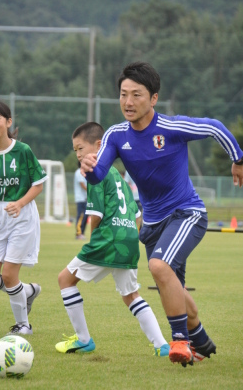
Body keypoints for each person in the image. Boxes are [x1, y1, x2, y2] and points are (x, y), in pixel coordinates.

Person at [80, 62, 243, 367]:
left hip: (186, 213)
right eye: (123, 94)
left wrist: (238, 159)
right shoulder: (116, 135)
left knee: (158, 265)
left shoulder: (171, 128)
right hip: (152, 225)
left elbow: (214, 127)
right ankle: (201, 340)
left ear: (153, 98)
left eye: (136, 95)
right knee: (174, 287)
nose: (128, 102)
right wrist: (88, 168)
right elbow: (98, 173)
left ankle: (179, 340)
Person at [55, 121, 169, 356]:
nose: (78, 155)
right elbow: (137, 214)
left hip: (108, 238)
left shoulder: (95, 169)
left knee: (65, 280)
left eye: (80, 148)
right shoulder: (118, 173)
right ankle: (162, 345)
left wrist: (94, 236)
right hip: (128, 238)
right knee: (131, 295)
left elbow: (95, 215)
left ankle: (84, 340)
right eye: (75, 150)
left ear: (99, 145)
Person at [0, 100, 48, 335]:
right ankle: (26, 291)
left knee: (8, 275)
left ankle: (24, 326)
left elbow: (38, 185)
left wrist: (19, 203)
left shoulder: (23, 150)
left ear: (8, 122)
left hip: (22, 217)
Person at [74, 162, 87, 239]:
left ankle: (82, 233)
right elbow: (82, 184)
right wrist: (90, 191)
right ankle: (79, 233)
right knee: (81, 216)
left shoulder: (84, 172)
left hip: (85, 198)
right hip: (80, 198)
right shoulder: (79, 172)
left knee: (85, 216)